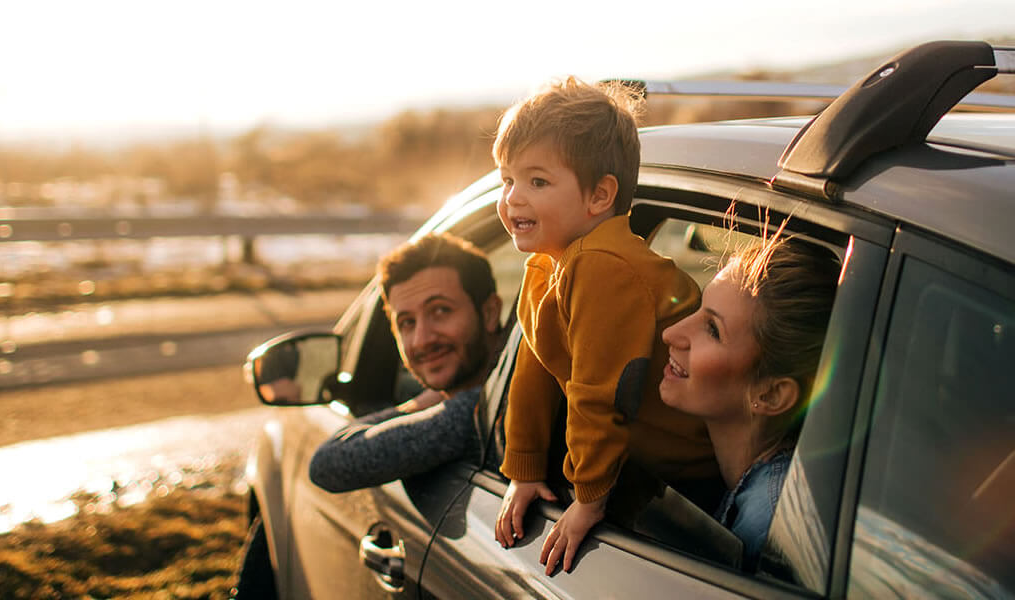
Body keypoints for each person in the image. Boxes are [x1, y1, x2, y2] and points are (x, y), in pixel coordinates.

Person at [491, 77, 717, 575]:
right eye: (507, 180)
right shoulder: (550, 264)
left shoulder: (601, 266)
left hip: (692, 475)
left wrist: (588, 498)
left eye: (537, 182)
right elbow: (534, 370)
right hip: (646, 467)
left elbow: (600, 392)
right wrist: (524, 469)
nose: (513, 199)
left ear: (599, 196)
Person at [658, 236, 840, 566]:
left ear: (770, 394)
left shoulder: (764, 530)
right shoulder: (767, 489)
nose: (671, 333)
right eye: (699, 308)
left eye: (712, 329)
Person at [307, 233, 506, 493]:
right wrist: (432, 400)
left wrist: (421, 404)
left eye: (440, 310)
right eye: (407, 323)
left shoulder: (485, 411)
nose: (422, 340)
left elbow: (328, 464)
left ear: (490, 312)